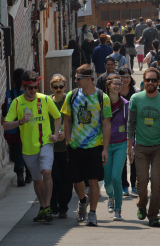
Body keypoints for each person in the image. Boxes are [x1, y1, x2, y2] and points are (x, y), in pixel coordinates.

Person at [3, 70, 61, 224]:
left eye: (36, 87)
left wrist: (55, 134)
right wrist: (20, 122)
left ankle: (47, 207)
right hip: (28, 148)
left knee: (47, 172)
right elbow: (5, 125)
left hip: (45, 143)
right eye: (30, 88)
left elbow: (58, 117)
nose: (34, 91)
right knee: (37, 180)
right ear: (24, 86)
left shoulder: (45, 99)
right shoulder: (17, 102)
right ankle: (42, 207)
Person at [62, 64, 112, 227]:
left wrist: (105, 149)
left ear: (89, 79)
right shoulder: (72, 95)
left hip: (94, 146)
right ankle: (83, 201)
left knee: (94, 180)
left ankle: (92, 213)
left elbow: (106, 124)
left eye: (79, 79)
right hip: (75, 146)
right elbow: (67, 119)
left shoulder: (102, 97)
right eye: (75, 78)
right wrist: (68, 140)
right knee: (77, 179)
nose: (76, 81)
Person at [127, 67, 160, 227]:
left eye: (154, 80)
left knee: (156, 182)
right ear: (144, 81)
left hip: (159, 148)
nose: (151, 82)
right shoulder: (136, 98)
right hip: (140, 146)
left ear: (158, 82)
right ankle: (141, 204)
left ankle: (153, 215)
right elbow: (131, 123)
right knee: (141, 181)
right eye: (148, 80)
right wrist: (129, 145)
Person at [104, 74, 129, 221]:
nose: (118, 86)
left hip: (120, 144)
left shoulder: (125, 104)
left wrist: (129, 146)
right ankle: (111, 196)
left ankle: (118, 209)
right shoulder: (101, 102)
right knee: (107, 181)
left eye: (120, 84)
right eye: (115, 84)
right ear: (108, 85)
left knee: (116, 177)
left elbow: (129, 126)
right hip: (105, 145)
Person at [1, 68, 32, 187]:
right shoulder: (29, 94)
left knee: (17, 151)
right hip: (27, 129)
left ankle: (20, 173)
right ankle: (28, 173)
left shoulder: (9, 94)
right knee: (28, 151)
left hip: (13, 130)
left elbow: (4, 112)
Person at [49, 74, 73, 218]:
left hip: (66, 147)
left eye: (61, 87)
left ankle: (63, 207)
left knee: (66, 179)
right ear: (51, 87)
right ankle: (53, 205)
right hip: (51, 147)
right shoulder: (47, 102)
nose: (59, 90)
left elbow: (75, 121)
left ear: (65, 87)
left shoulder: (69, 102)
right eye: (56, 87)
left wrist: (66, 133)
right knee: (53, 177)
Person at [118, 68, 139, 197]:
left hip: (135, 127)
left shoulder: (136, 92)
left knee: (134, 157)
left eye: (127, 77)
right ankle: (124, 185)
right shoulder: (116, 92)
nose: (125, 79)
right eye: (123, 77)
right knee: (122, 158)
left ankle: (134, 184)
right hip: (120, 128)